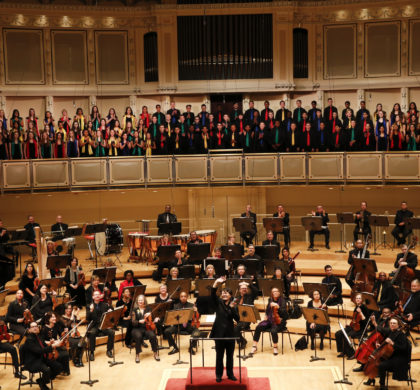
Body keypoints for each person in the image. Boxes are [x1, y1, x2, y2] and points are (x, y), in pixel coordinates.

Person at [211, 276, 240, 382]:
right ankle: (218, 375)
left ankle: (230, 374)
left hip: (230, 333)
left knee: (230, 356)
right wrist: (216, 283)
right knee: (219, 356)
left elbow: (237, 318)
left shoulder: (234, 305)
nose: (224, 294)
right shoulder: (218, 303)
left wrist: (232, 309)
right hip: (219, 333)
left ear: (231, 295)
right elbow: (212, 295)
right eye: (223, 292)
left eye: (226, 292)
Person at [22, 322, 63, 390]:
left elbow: (43, 344)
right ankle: (43, 383)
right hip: (32, 361)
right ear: (29, 330)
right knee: (47, 370)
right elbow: (39, 351)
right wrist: (53, 346)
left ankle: (42, 380)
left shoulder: (38, 336)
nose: (35, 328)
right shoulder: (29, 340)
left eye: (36, 326)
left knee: (58, 367)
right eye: (33, 327)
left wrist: (51, 343)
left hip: (41, 358)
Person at [250, 287, 288, 356]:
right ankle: (254, 346)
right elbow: (268, 310)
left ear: (279, 293)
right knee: (258, 327)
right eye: (273, 292)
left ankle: (275, 347)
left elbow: (285, 314)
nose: (275, 292)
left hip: (279, 321)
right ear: (272, 294)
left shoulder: (283, 301)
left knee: (273, 331)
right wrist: (266, 315)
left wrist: (278, 307)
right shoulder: (270, 300)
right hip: (270, 320)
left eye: (277, 291)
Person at [375, 318, 410, 390]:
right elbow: (388, 346)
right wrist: (380, 346)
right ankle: (371, 379)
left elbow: (403, 348)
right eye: (391, 323)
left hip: (400, 359)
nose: (392, 324)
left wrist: (392, 343)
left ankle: (382, 386)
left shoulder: (401, 335)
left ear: (398, 325)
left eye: (394, 323)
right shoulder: (392, 332)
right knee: (378, 359)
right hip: (393, 356)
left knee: (381, 365)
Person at [335, 293, 369, 359]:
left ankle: (352, 354)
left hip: (360, 329)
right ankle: (343, 351)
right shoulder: (357, 306)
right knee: (338, 333)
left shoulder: (364, 308)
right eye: (357, 298)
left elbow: (365, 321)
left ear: (362, 299)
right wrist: (350, 324)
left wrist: (361, 313)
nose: (358, 299)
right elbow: (355, 318)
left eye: (359, 298)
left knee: (346, 336)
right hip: (354, 326)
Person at [39, 312, 71, 376]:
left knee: (65, 352)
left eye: (55, 317)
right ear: (48, 319)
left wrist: (64, 333)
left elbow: (61, 336)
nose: (55, 318)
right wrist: (49, 343)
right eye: (53, 317)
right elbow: (41, 341)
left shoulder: (55, 325)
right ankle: (56, 370)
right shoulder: (44, 328)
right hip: (48, 347)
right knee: (60, 355)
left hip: (55, 345)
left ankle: (64, 370)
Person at [131, 294, 160, 363]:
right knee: (138, 336)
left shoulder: (148, 308)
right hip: (137, 328)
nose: (140, 301)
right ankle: (137, 355)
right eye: (139, 300)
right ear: (137, 301)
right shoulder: (134, 310)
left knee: (153, 336)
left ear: (144, 301)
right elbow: (133, 322)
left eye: (142, 300)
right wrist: (138, 321)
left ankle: (155, 353)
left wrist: (153, 318)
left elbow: (152, 317)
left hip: (147, 327)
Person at [86, 290, 115, 361]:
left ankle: (109, 350)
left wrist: (110, 310)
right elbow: (87, 318)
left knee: (112, 332)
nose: (97, 296)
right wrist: (91, 310)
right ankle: (92, 352)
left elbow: (111, 310)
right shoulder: (89, 306)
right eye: (95, 295)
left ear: (100, 296)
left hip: (103, 325)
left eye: (98, 294)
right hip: (94, 326)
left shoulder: (104, 305)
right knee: (92, 333)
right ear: (93, 297)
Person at [233, 281, 258, 349]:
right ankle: (239, 340)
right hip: (238, 318)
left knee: (235, 330)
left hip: (247, 319)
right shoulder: (236, 298)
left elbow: (256, 291)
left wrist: (249, 284)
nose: (244, 289)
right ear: (239, 290)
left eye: (245, 288)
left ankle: (243, 341)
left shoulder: (250, 297)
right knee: (229, 326)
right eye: (242, 288)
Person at [60, 303, 84, 367]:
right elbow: (67, 325)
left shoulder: (73, 316)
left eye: (70, 308)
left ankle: (80, 359)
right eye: (67, 308)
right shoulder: (62, 318)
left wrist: (77, 315)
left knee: (83, 342)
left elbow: (78, 323)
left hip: (75, 334)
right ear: (65, 310)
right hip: (67, 335)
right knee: (74, 343)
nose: (69, 310)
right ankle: (74, 360)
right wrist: (72, 316)